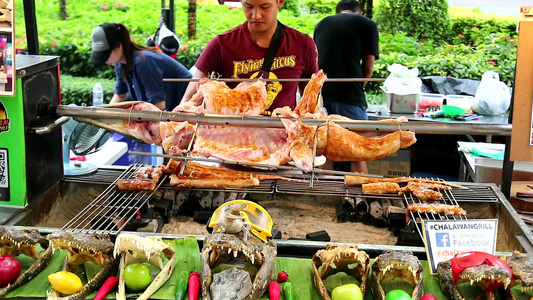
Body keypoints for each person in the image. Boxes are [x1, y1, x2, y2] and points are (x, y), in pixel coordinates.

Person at [180, 0, 319, 113]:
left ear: (280, 2)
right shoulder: (222, 44)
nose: (256, 15)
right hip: (233, 139)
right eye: (248, 6)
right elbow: (189, 99)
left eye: (265, 6)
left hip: (283, 138)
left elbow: (314, 99)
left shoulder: (302, 44)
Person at [314, 0, 379, 173]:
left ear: (338, 12)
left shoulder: (321, 24)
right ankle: (361, 196)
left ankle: (326, 195)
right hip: (350, 96)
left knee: (325, 148)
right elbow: (368, 68)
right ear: (358, 12)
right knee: (357, 150)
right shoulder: (367, 24)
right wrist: (359, 86)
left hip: (322, 95)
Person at [89, 22, 192, 110]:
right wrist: (105, 115)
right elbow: (120, 95)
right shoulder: (120, 63)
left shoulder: (143, 62)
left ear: (119, 46)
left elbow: (158, 106)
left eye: (106, 55)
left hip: (188, 108)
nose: (105, 61)